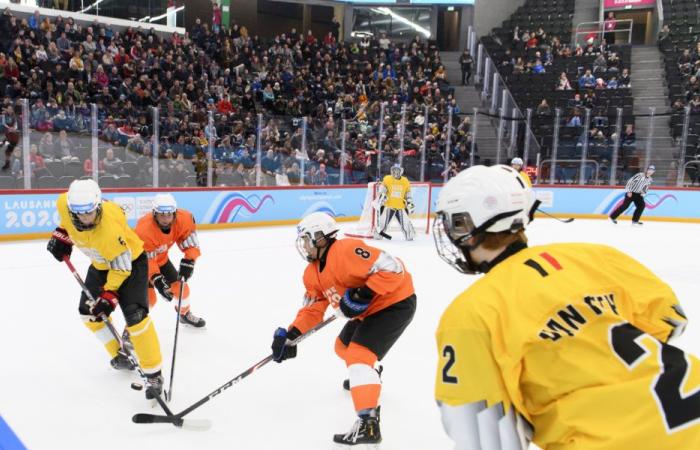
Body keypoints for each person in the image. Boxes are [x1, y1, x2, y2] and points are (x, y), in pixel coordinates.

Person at [432, 165, 700, 449]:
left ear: (466, 226)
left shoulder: (473, 313)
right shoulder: (595, 256)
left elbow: (484, 435)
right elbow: (671, 320)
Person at [270, 212, 416, 446]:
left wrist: (363, 294)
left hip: (394, 303)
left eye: (307, 240)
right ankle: (369, 376)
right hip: (368, 312)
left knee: (358, 356)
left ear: (320, 237)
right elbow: (313, 309)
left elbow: (394, 268)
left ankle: (368, 425)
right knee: (343, 347)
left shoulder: (346, 250)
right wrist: (291, 335)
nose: (304, 246)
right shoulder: (312, 273)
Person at [46, 179, 163, 398]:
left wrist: (110, 295)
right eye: (79, 214)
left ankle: (153, 374)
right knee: (88, 313)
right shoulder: (64, 203)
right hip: (101, 264)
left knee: (136, 316)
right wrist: (62, 234)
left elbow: (121, 270)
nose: (86, 219)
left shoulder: (109, 230)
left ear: (98, 206)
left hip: (131, 264)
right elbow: (66, 220)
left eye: (90, 212)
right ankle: (120, 353)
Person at [135, 193, 204, 327]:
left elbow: (190, 243)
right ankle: (131, 330)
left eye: (169, 215)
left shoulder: (184, 219)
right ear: (154, 214)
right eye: (162, 215)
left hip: (162, 261)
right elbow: (146, 259)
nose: (166, 219)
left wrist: (189, 261)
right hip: (141, 266)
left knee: (182, 289)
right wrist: (156, 278)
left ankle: (184, 314)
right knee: (148, 300)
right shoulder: (143, 229)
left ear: (175, 213)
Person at [376, 164, 415, 240]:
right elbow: (382, 189)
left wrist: (409, 202)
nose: (395, 172)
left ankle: (410, 236)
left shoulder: (405, 181)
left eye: (397, 170)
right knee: (383, 222)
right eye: (394, 170)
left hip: (400, 206)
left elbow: (408, 193)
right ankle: (378, 235)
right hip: (389, 205)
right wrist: (382, 195)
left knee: (406, 223)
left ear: (401, 171)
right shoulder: (387, 179)